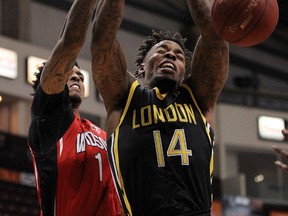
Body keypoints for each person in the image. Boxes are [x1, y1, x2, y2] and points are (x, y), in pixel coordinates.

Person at [90, 0, 229, 215]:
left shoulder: (198, 99)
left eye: (179, 56)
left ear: (184, 72)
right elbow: (102, 40)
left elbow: (215, 35)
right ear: (141, 68)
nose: (172, 55)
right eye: (162, 50)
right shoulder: (124, 98)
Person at [28, 0, 121, 215]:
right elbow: (68, 44)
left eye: (80, 75)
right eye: (70, 73)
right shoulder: (49, 120)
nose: (77, 76)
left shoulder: (101, 132)